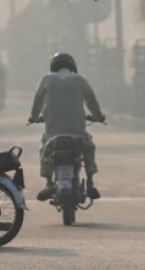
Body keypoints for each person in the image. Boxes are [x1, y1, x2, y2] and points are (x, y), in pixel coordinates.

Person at [29, 52, 105, 201]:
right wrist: (98, 116)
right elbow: (91, 101)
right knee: (89, 148)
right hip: (78, 137)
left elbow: (37, 101)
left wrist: (34, 117)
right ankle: (90, 183)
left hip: (53, 138)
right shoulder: (80, 80)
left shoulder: (46, 80)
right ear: (72, 67)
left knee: (43, 150)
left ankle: (49, 183)